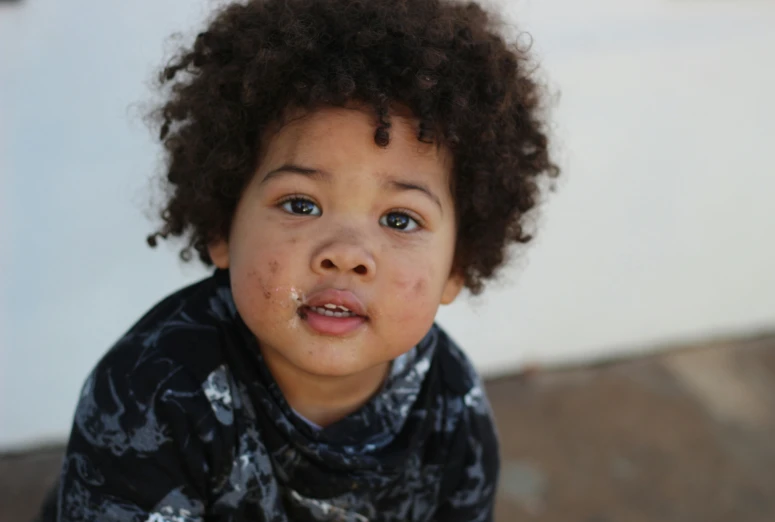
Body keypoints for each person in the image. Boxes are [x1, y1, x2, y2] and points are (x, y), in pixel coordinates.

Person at [38, 0, 558, 520]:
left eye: (400, 220)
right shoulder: (148, 396)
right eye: (301, 204)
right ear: (223, 228)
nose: (346, 255)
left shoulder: (452, 410)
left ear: (457, 266)